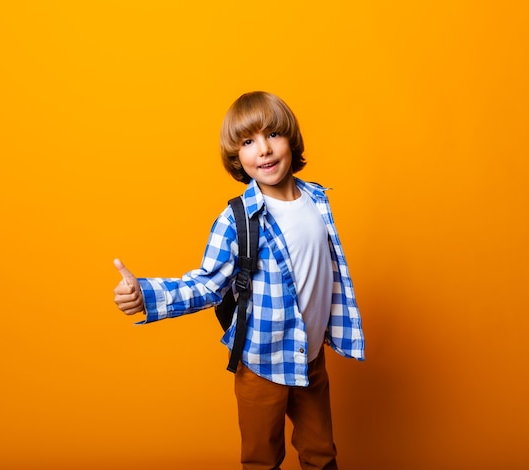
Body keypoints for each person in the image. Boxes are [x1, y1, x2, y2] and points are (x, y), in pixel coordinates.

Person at [113, 91, 365, 470]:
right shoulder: (237, 219)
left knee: (321, 453)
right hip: (261, 364)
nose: (263, 149)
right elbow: (207, 284)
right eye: (248, 142)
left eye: (273, 135)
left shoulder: (317, 200)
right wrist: (146, 295)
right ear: (237, 157)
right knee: (261, 459)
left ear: (290, 141)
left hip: (309, 359)